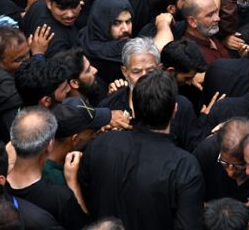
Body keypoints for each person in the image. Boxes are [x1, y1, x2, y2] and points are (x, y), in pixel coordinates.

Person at [79, 70, 204, 229]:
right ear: (175, 111)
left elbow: (87, 196)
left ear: (135, 109)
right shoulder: (184, 165)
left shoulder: (100, 144)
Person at [6, 106, 89, 230]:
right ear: (50, 145)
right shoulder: (60, 199)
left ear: (12, 140)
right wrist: (74, 185)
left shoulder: (1, 183)